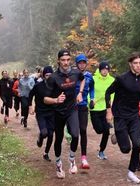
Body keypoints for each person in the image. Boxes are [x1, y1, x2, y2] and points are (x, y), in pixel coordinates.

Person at [105, 52, 140, 184]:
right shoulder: (121, 79)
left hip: (134, 116)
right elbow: (108, 92)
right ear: (130, 64)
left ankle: (131, 172)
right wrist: (109, 110)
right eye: (135, 63)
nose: (138, 66)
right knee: (125, 149)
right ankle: (118, 135)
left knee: (137, 145)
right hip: (120, 116)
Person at [44, 49, 85, 179]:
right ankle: (58, 163)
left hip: (72, 109)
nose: (66, 63)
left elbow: (83, 79)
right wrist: (56, 100)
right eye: (63, 60)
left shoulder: (76, 72)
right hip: (58, 112)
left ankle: (72, 159)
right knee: (59, 138)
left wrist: (80, 93)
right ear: (58, 61)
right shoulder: (53, 78)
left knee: (75, 135)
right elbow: (45, 99)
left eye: (68, 60)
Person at [28, 66, 55, 162]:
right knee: (44, 133)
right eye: (47, 75)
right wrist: (30, 107)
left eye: (51, 75)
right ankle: (40, 137)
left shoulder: (55, 86)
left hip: (52, 113)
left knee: (51, 135)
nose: (49, 77)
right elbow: (30, 95)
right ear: (43, 76)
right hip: (41, 113)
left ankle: (46, 153)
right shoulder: (38, 85)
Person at [90, 61, 114, 160]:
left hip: (105, 108)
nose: (105, 71)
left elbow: (113, 93)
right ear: (100, 70)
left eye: (107, 69)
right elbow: (89, 91)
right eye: (103, 69)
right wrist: (90, 101)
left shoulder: (112, 80)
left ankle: (101, 151)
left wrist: (111, 105)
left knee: (106, 131)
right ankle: (107, 125)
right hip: (95, 108)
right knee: (99, 130)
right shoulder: (93, 79)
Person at [75, 53, 95, 169]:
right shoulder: (72, 75)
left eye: (83, 63)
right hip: (72, 107)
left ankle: (84, 158)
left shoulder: (89, 76)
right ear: (76, 64)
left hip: (83, 106)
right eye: (80, 63)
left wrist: (92, 98)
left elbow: (92, 88)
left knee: (83, 130)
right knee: (74, 132)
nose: (82, 65)